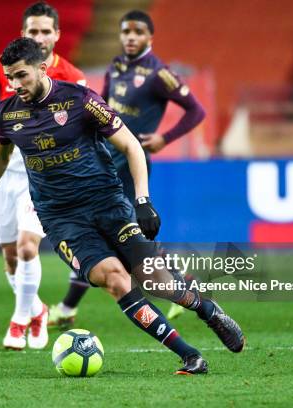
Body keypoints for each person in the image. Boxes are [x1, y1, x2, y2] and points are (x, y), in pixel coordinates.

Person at [0, 38, 244, 374]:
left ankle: (206, 309)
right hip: (61, 218)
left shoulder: (80, 101)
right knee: (115, 280)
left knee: (158, 282)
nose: (15, 84)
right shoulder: (6, 114)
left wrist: (143, 201)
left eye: (21, 76)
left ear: (42, 68)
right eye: (9, 78)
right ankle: (189, 355)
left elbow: (132, 146)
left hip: (106, 202)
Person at [49, 10, 206, 325]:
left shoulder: (159, 73)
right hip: (103, 160)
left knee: (106, 234)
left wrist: (165, 137)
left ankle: (67, 309)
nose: (130, 37)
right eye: (126, 32)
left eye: (137, 32)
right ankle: (182, 285)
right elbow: (101, 107)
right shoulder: (116, 67)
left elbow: (196, 111)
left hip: (130, 165)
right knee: (117, 237)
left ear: (150, 37)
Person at [0, 2, 86, 350]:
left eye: (47, 31)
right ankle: (36, 309)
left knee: (28, 246)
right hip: (3, 169)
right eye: (33, 30)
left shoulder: (73, 78)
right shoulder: (6, 65)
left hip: (42, 175)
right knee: (10, 257)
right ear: (23, 33)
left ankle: (18, 323)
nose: (40, 37)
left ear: (58, 35)